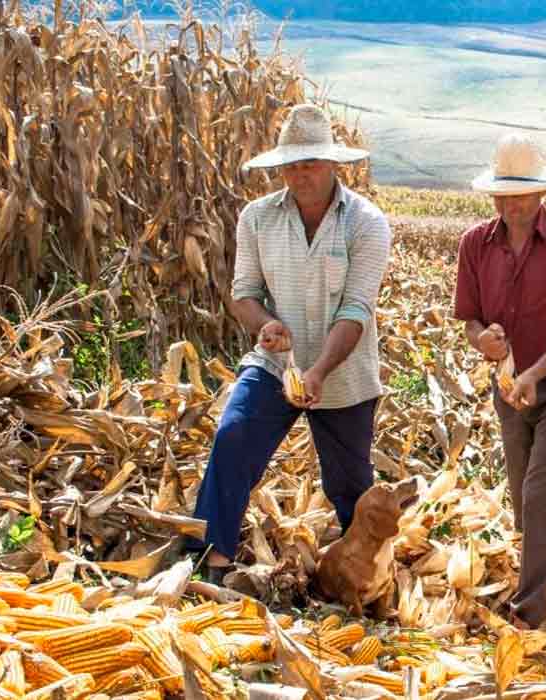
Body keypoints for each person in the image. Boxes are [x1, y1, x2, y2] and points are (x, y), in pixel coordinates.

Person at [187, 104, 392, 583]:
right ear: (280, 168)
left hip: (343, 372)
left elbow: (356, 309)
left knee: (349, 486)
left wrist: (318, 371)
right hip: (276, 362)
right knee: (234, 436)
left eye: (311, 163)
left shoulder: (365, 222)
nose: (301, 175)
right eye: (293, 165)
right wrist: (265, 325)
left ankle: (364, 578)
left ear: (333, 164)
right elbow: (244, 294)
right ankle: (211, 560)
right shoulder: (257, 218)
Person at [454, 133, 546, 628]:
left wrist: (536, 373)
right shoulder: (474, 244)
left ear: (542, 194)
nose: (512, 203)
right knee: (525, 500)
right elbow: (471, 321)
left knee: (541, 493)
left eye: (522, 193)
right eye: (503, 193)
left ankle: (529, 610)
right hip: (511, 388)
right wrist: (484, 341)